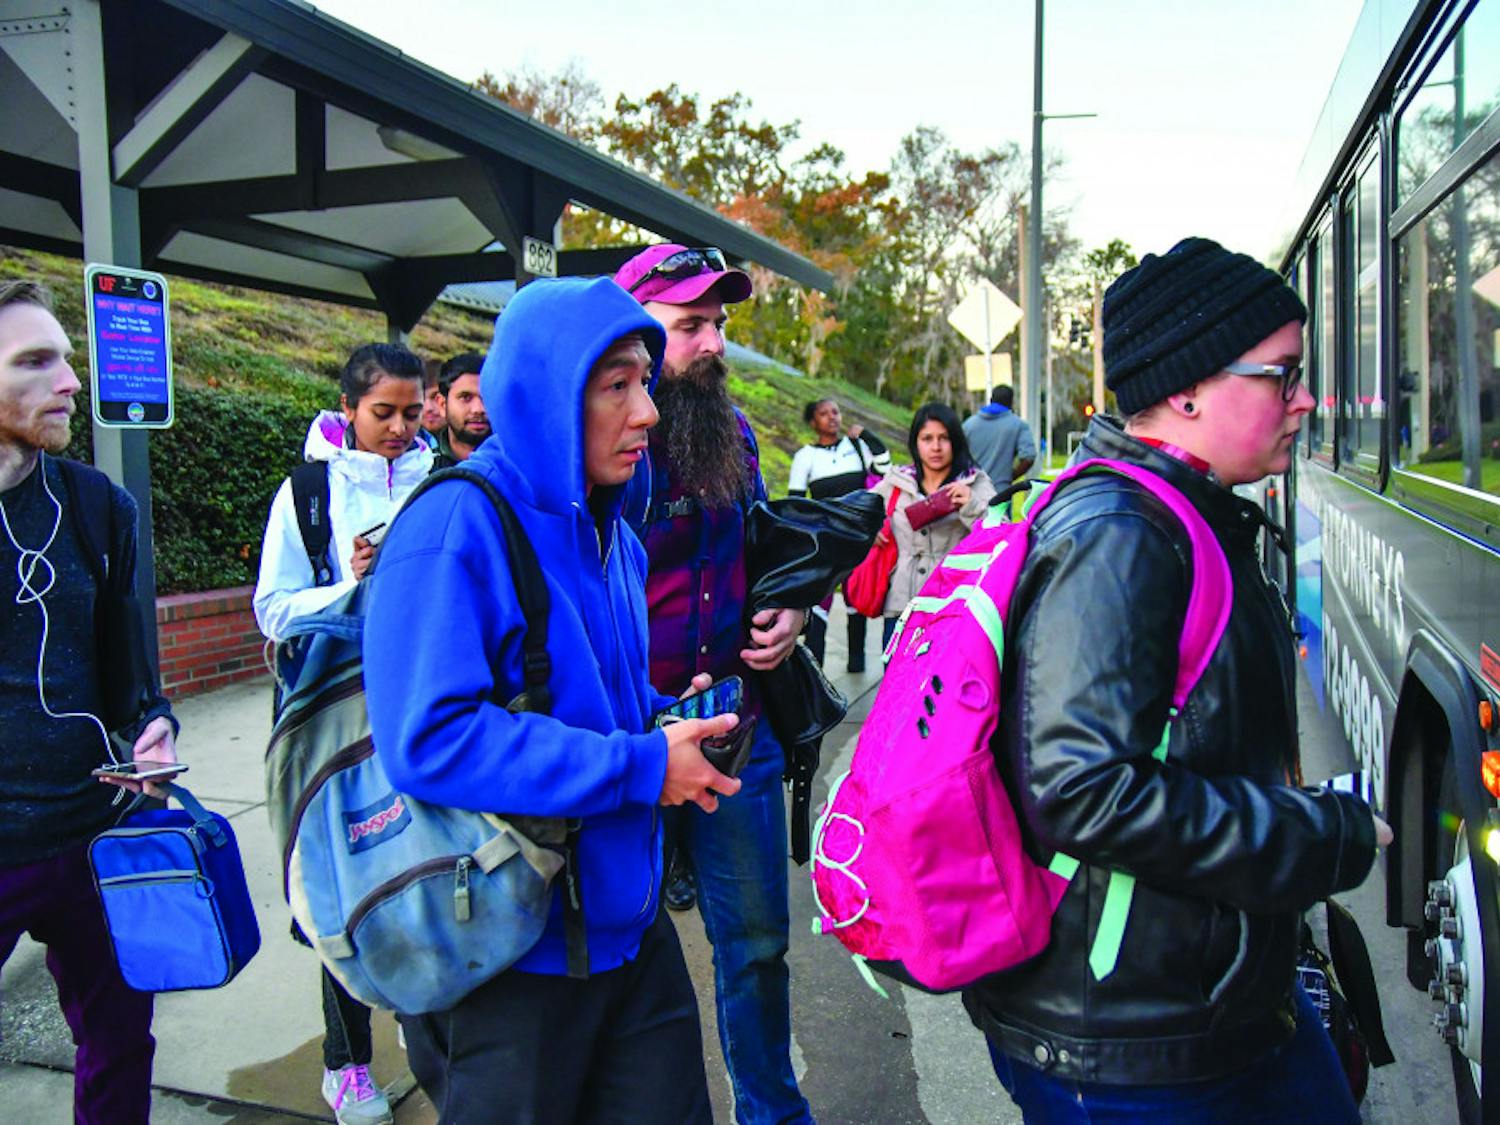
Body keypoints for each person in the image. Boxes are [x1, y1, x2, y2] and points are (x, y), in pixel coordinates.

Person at [962, 237, 1390, 1122]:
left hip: (1205, 1008)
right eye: (1282, 375)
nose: (1305, 400)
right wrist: (1321, 834)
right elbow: (1081, 789)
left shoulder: (1178, 513)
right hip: (1131, 1046)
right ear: (1188, 386)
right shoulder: (1123, 534)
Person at [363, 277, 738, 1123]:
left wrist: (663, 722)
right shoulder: (455, 525)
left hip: (628, 937)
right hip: (509, 965)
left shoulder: (615, 535)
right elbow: (429, 739)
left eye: (645, 380)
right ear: (543, 394)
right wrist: (641, 764)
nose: (647, 410)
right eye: (615, 386)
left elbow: (586, 700)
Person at [616, 244, 813, 1125]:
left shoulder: (732, 432)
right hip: (632, 742)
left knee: (757, 946)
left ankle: (771, 1111)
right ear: (634, 337)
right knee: (625, 954)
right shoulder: (602, 444)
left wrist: (788, 611)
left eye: (718, 324)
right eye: (689, 324)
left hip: (739, 726)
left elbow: (763, 550)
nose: (712, 343)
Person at [0, 279, 178, 1124]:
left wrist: (152, 727)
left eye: (67, 358)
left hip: (92, 835)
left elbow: (132, 676)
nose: (71, 380)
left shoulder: (97, 506)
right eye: (36, 362)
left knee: (120, 1042)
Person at [253, 342, 432, 1125]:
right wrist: (350, 587)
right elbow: (273, 606)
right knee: (340, 885)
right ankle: (347, 1065)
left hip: (418, 704)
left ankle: (431, 1033)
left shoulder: (441, 478)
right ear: (348, 407)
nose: (398, 427)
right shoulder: (306, 493)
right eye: (382, 412)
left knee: (424, 869)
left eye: (410, 411)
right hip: (328, 716)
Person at [871, 402, 996, 648]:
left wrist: (972, 506)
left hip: (955, 606)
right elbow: (859, 512)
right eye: (927, 438)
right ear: (915, 443)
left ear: (955, 442)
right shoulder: (897, 481)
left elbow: (1000, 535)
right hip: (901, 607)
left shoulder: (975, 482)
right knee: (897, 682)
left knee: (944, 685)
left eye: (943, 438)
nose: (935, 447)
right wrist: (870, 528)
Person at [788, 397, 891, 673]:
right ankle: (814, 674)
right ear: (813, 422)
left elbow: (885, 468)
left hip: (860, 537)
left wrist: (866, 435)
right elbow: (795, 504)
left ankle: (856, 664)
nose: (832, 417)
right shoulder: (805, 457)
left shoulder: (856, 447)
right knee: (819, 606)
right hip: (826, 540)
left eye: (835, 412)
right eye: (824, 413)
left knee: (856, 600)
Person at [963, 383, 1035, 485]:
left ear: (991, 400)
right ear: (1011, 402)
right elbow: (1029, 457)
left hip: (972, 490)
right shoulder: (1018, 425)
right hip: (1001, 491)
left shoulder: (968, 425)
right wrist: (1012, 476)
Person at [430, 352, 489, 470]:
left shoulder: (519, 467)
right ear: (442, 404)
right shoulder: (422, 468)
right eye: (466, 397)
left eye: (487, 397)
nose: (478, 409)